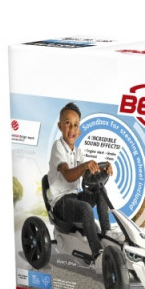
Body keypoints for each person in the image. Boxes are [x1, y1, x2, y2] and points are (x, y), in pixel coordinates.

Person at [47, 102, 113, 262]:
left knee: (100, 191)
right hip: (61, 203)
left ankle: (107, 233)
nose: (72, 128)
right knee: (85, 208)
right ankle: (97, 254)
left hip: (75, 198)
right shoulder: (58, 147)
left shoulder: (78, 152)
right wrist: (84, 166)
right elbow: (68, 176)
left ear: (79, 131)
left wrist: (103, 170)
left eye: (75, 125)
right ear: (60, 126)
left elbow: (89, 174)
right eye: (67, 123)